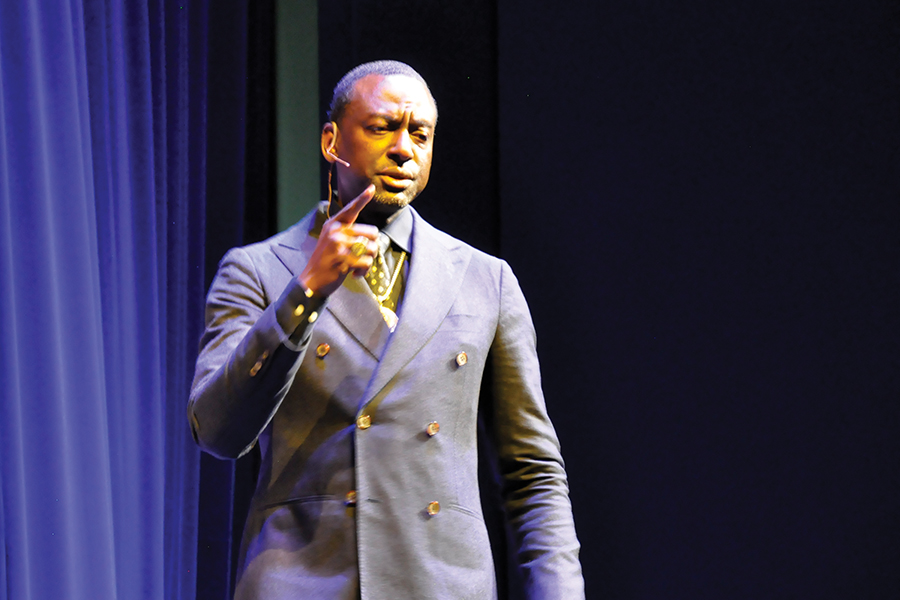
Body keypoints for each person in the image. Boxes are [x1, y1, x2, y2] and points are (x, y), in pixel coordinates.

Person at [189, 60, 584, 599]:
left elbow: (532, 472)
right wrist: (307, 290)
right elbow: (217, 431)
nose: (404, 148)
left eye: (419, 133)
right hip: (305, 580)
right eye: (383, 128)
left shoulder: (483, 279)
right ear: (332, 140)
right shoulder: (258, 270)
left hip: (440, 583)